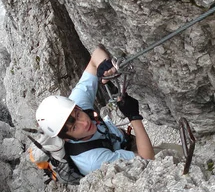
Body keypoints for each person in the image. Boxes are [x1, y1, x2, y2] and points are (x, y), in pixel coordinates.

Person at [36, 46, 155, 176]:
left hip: (120, 141)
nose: (84, 123)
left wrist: (104, 65)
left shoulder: (73, 106)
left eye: (78, 114)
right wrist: (134, 117)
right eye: (75, 128)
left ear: (77, 107)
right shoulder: (93, 160)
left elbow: (97, 54)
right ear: (66, 139)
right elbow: (148, 160)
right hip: (121, 160)